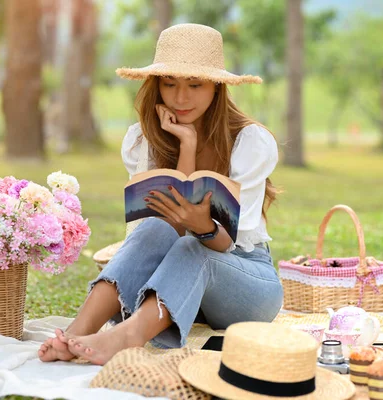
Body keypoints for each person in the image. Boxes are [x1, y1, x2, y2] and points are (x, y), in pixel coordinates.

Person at [38, 23, 283, 366]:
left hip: (245, 284)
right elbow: (164, 234)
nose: (180, 98)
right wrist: (187, 144)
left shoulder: (250, 142)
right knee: (155, 229)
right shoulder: (144, 140)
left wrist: (205, 228)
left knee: (190, 245)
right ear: (156, 85)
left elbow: (226, 245)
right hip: (178, 285)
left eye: (195, 85)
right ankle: (77, 331)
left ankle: (125, 337)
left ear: (217, 86)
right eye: (170, 84)